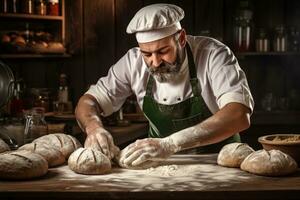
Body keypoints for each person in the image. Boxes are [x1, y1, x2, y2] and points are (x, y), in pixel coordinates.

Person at [75, 3, 254, 168]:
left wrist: (171, 143)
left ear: (182, 38)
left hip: (220, 161)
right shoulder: (132, 62)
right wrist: (93, 127)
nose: (155, 62)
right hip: (160, 165)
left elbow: (239, 114)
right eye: (147, 54)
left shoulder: (213, 54)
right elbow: (89, 101)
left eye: (163, 51)